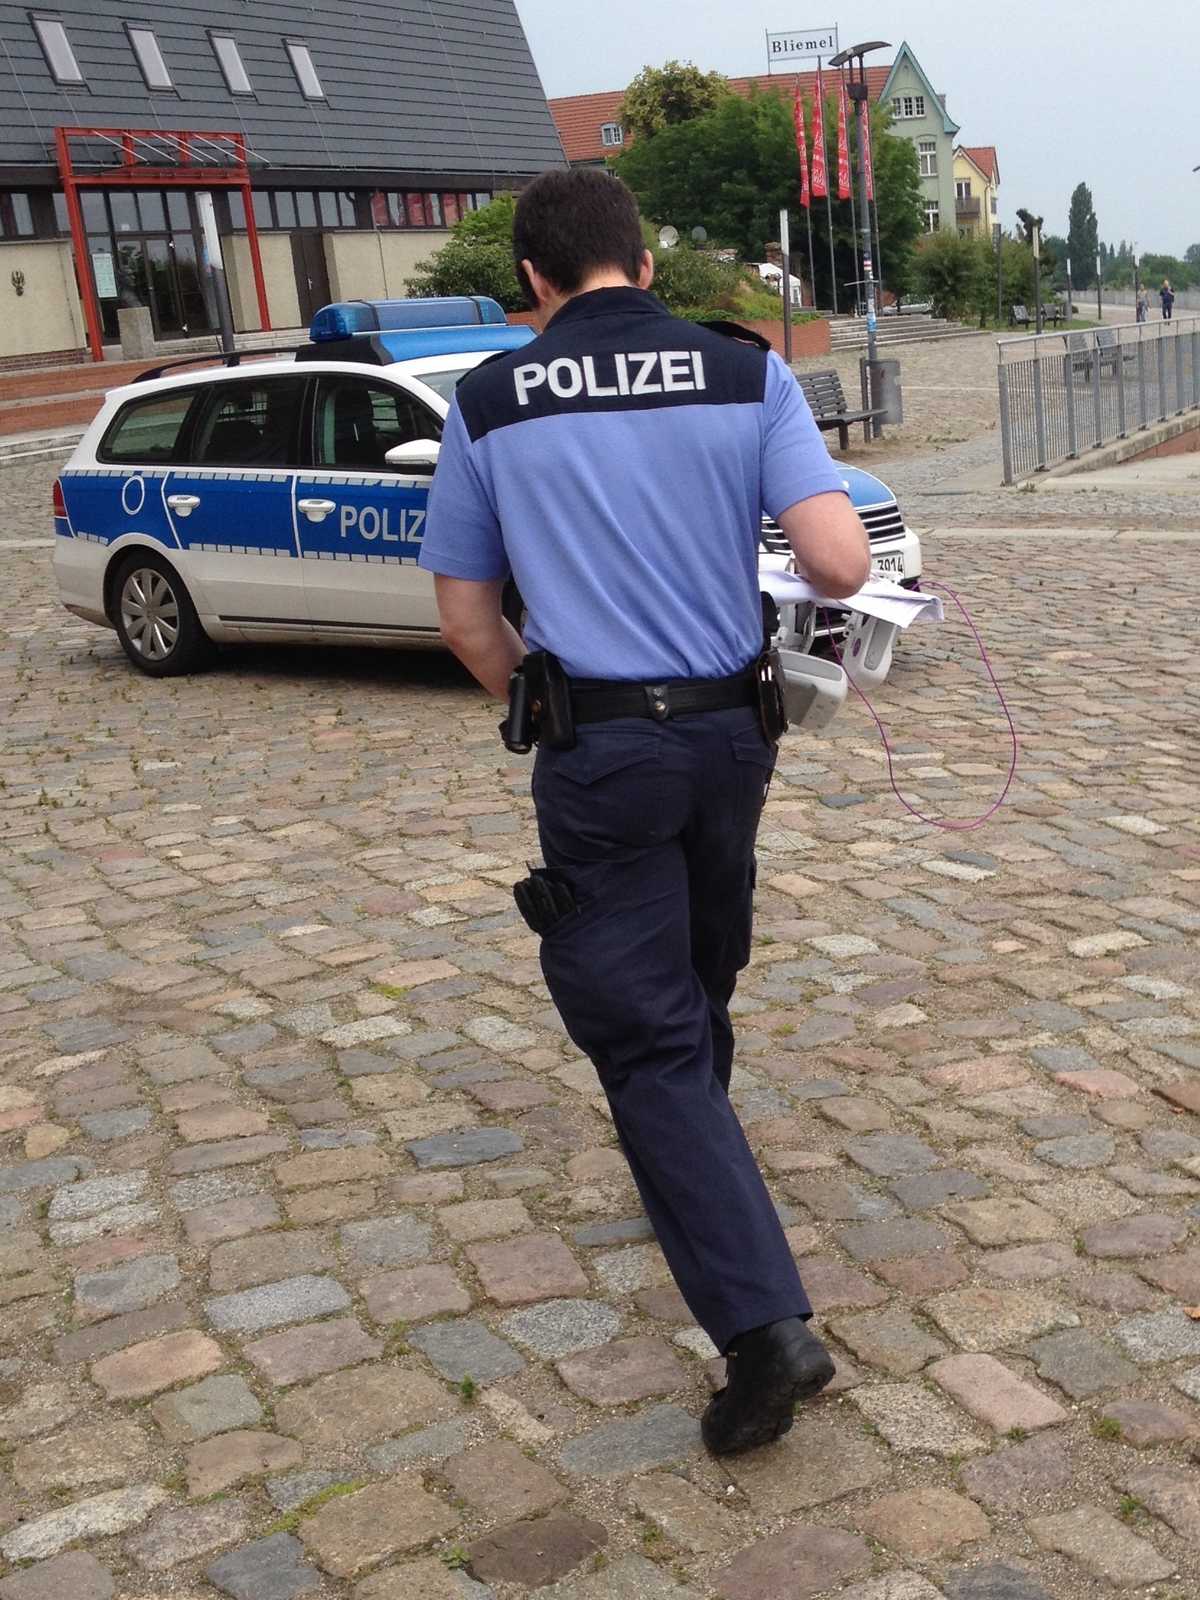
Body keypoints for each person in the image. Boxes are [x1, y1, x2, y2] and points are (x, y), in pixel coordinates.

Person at [418, 167, 870, 1456]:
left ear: (533, 283)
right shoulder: (745, 372)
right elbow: (838, 560)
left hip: (602, 749)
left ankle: (761, 1328)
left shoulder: (490, 400)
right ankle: (701, 1165)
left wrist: (538, 697)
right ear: (646, 266)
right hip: (733, 735)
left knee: (645, 1034)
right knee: (701, 969)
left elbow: (463, 619)